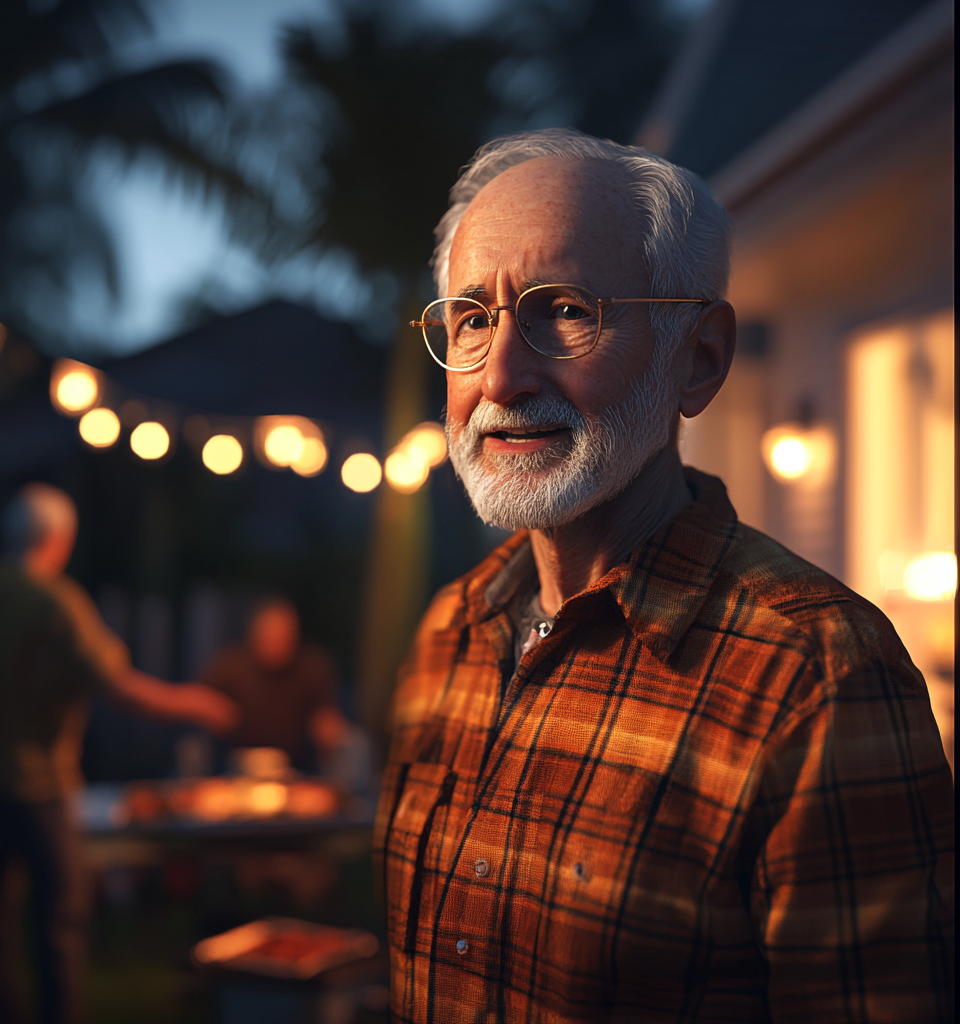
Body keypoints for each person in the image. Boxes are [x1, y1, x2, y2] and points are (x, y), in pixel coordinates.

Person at [374, 129, 954, 1023]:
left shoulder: (820, 673)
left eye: (562, 309)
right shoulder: (448, 631)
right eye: (473, 319)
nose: (502, 375)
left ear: (700, 358)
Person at [0, 483, 239, 1024]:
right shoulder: (54, 601)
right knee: (58, 923)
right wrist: (193, 703)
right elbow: (116, 685)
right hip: (37, 785)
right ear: (58, 540)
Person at [203, 597, 352, 773]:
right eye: (270, 635)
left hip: (299, 772)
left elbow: (327, 715)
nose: (276, 642)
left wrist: (329, 731)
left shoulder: (315, 667)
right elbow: (199, 703)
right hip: (233, 772)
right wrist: (210, 711)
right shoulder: (227, 667)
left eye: (283, 635)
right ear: (253, 633)